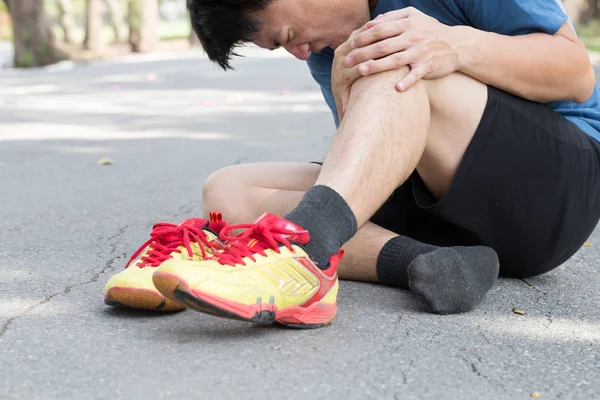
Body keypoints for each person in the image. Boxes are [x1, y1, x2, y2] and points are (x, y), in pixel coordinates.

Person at [105, 0, 600, 328]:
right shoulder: (330, 52)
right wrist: (345, 92)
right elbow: (382, 158)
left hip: (556, 192)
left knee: (396, 56)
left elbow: (576, 73)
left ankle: (302, 257)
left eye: (288, 36)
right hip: (452, 213)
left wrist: (453, 45)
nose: (300, 54)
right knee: (230, 190)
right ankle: (430, 264)